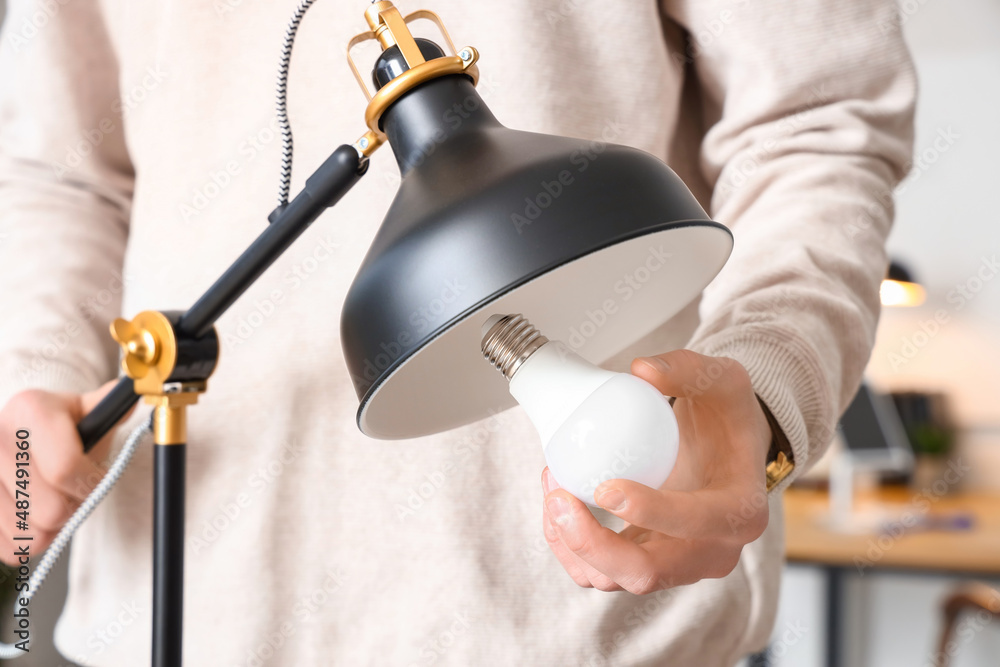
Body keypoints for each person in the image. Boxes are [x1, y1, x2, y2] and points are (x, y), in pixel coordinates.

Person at [0, 0, 915, 665]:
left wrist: (760, 388)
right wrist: (32, 373)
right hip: (173, 605)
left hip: (577, 618)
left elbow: (817, 120)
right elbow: (60, 170)